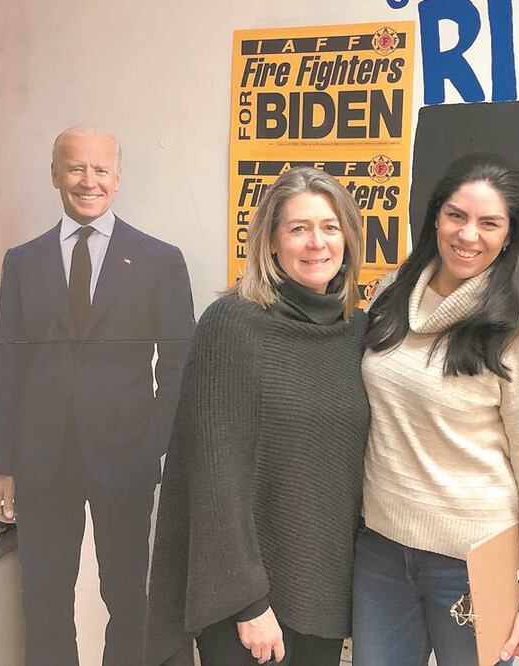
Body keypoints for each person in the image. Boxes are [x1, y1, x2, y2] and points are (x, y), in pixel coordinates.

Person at [0, 125, 195, 666]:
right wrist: (0, 463)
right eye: (75, 168)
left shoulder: (159, 259)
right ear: (55, 174)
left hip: (126, 456)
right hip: (41, 460)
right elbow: (8, 363)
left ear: (118, 179)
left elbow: (179, 364)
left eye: (100, 169)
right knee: (46, 599)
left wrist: (155, 444)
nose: (88, 180)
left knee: (127, 598)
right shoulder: (22, 261)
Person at [145, 166, 370, 666]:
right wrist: (247, 602)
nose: (317, 243)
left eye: (330, 227)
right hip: (249, 601)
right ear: (270, 242)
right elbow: (214, 475)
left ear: (348, 238)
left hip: (325, 592)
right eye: (298, 228)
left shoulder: (359, 332)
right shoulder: (232, 325)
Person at [352, 153, 519, 666]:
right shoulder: (390, 295)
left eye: (489, 223)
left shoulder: (518, 334)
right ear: (436, 218)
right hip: (380, 550)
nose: (469, 234)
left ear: (510, 236)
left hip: (472, 562)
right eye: (456, 216)